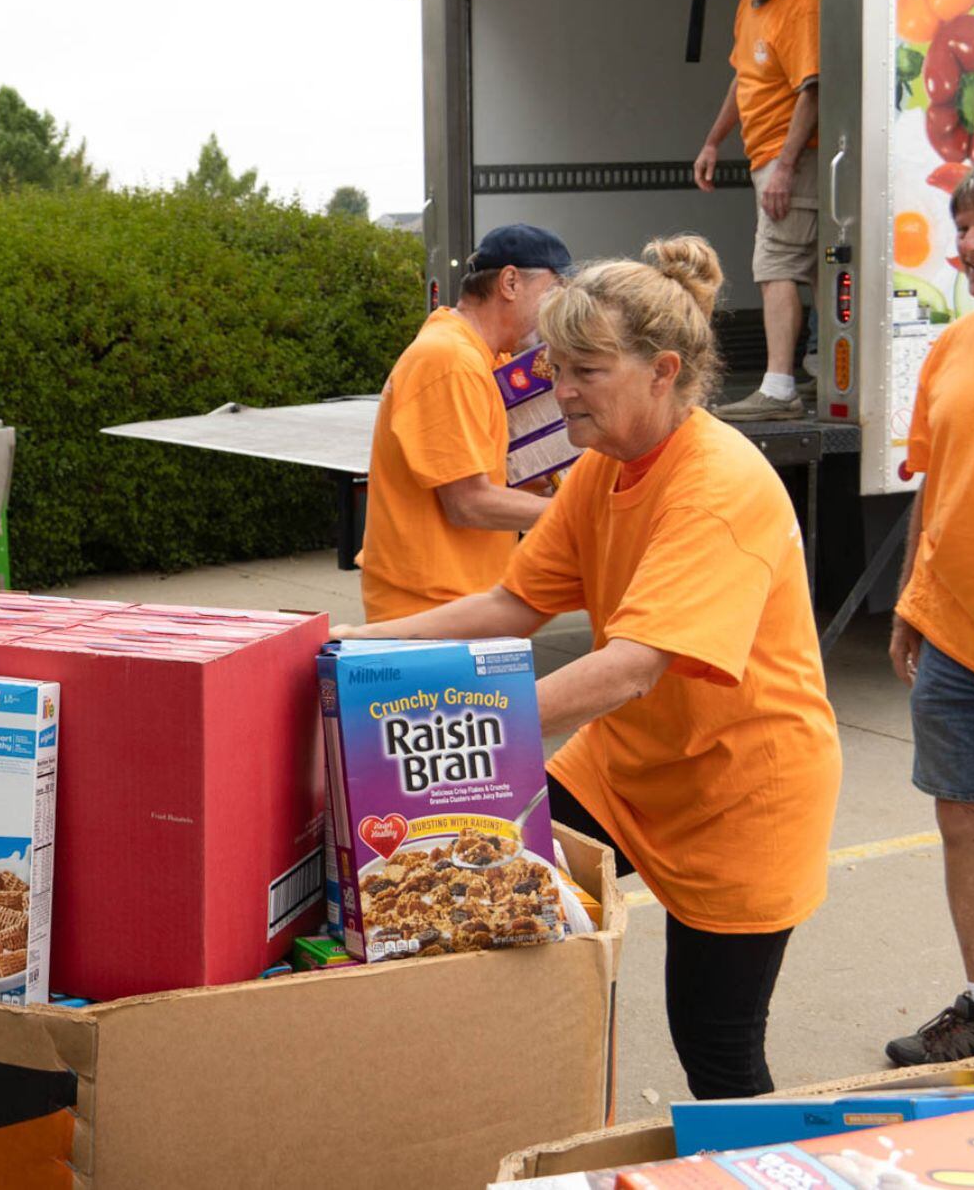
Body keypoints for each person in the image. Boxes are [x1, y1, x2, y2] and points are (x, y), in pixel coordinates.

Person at [335, 235, 842, 1099]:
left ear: (662, 370)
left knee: (717, 1051)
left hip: (741, 792)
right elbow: (512, 604)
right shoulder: (600, 471)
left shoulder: (716, 486)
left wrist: (467, 732)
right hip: (627, 768)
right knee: (475, 881)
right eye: (554, 366)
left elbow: (630, 668)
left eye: (587, 371)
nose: (561, 390)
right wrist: (351, 644)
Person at [884, 153, 974, 1066]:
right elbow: (934, 483)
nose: (970, 245)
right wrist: (909, 602)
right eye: (962, 227)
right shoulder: (957, 342)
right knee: (967, 820)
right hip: (964, 642)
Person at [356, 223, 569, 620]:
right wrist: (577, 514)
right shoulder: (449, 361)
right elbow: (468, 503)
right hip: (430, 610)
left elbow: (493, 480)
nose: (557, 312)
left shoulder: (484, 358)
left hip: (460, 606)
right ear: (509, 282)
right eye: (553, 294)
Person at [694, 0, 821, 422]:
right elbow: (741, 79)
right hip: (765, 158)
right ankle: (814, 372)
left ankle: (778, 387)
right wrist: (712, 142)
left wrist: (786, 168)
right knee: (812, 269)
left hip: (792, 160)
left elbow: (812, 92)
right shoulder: (751, 8)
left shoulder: (802, 6)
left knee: (776, 267)